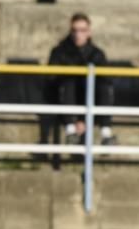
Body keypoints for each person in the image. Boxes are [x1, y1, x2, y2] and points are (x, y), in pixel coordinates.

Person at [47, 12, 116, 145]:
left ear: (89, 32)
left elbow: (106, 82)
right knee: (68, 81)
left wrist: (85, 120)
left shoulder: (97, 54)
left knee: (104, 86)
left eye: (82, 30)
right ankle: (70, 130)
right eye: (75, 30)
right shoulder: (59, 52)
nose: (78, 34)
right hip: (64, 103)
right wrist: (75, 119)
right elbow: (51, 83)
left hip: (90, 103)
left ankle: (106, 132)